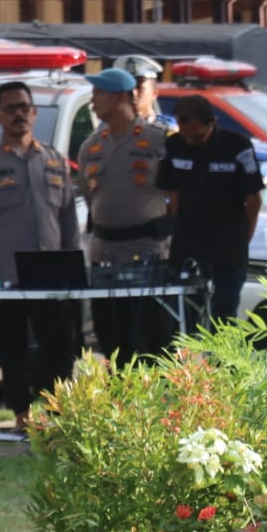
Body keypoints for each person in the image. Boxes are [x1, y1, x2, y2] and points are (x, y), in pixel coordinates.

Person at [0, 81, 82, 441]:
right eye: (10, 108)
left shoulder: (53, 159)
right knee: (11, 349)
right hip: (6, 277)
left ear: (34, 113)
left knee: (59, 347)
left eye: (24, 108)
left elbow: (68, 220)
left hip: (51, 275)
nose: (19, 114)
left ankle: (58, 417)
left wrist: (73, 271)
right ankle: (21, 416)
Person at [77, 66, 174, 360]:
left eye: (98, 94)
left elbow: (176, 195)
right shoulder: (91, 146)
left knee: (151, 339)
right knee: (111, 338)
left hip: (148, 253)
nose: (92, 102)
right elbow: (89, 196)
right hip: (105, 254)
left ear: (119, 97)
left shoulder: (159, 140)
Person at [156, 94, 264, 321]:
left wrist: (243, 239)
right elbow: (171, 193)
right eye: (185, 134)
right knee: (182, 316)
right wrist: (183, 225)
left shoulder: (238, 146)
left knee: (224, 317)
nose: (189, 141)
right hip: (187, 246)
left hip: (228, 245)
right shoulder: (174, 145)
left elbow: (253, 199)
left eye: (196, 136)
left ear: (212, 123)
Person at [116, 55, 178, 131]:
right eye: (127, 89)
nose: (133, 93)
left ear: (154, 93)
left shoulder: (170, 131)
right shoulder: (107, 129)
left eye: (140, 88)